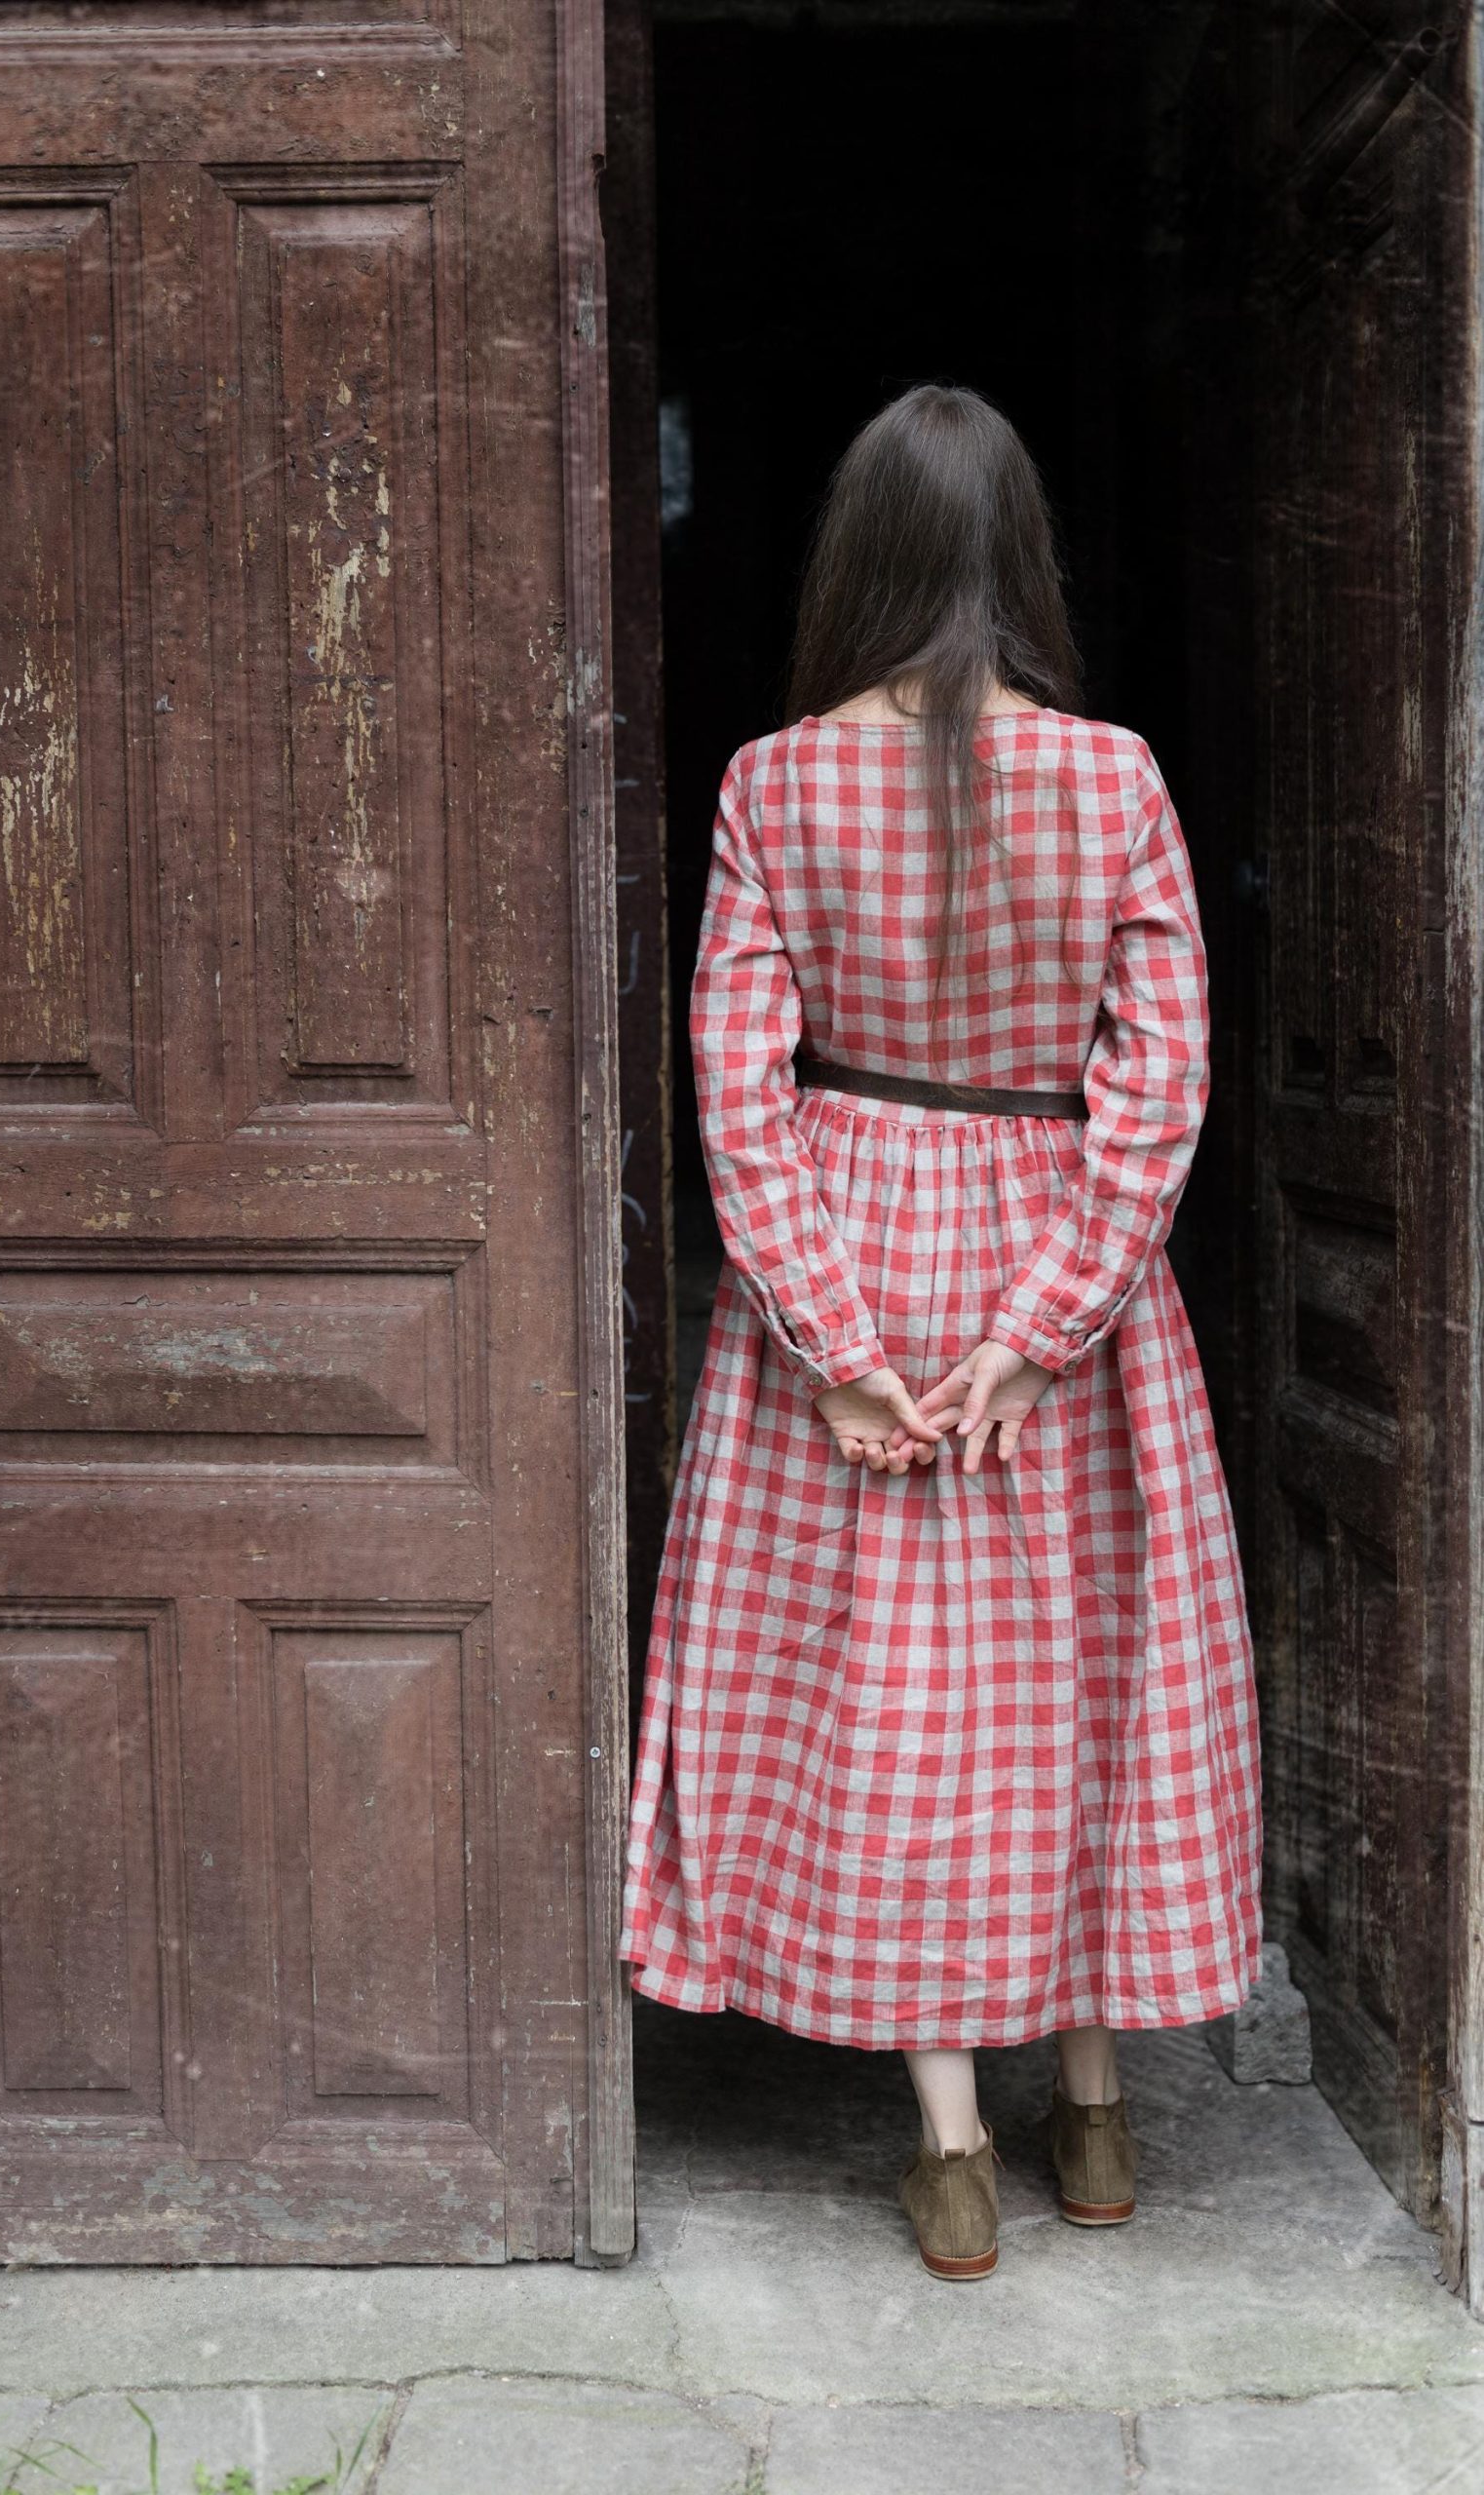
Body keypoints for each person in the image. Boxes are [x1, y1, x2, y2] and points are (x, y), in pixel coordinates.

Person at [617, 382, 1263, 2282]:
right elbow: (1158, 1085)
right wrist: (1043, 1327)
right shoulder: (1118, 778)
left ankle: (949, 2143)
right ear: (1020, 560)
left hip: (851, 1249)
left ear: (857, 560)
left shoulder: (772, 783)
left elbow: (736, 1091)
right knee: (1074, 1680)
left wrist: (829, 1338)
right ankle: (1095, 2110)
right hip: (1059, 1267)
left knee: (899, 1698)